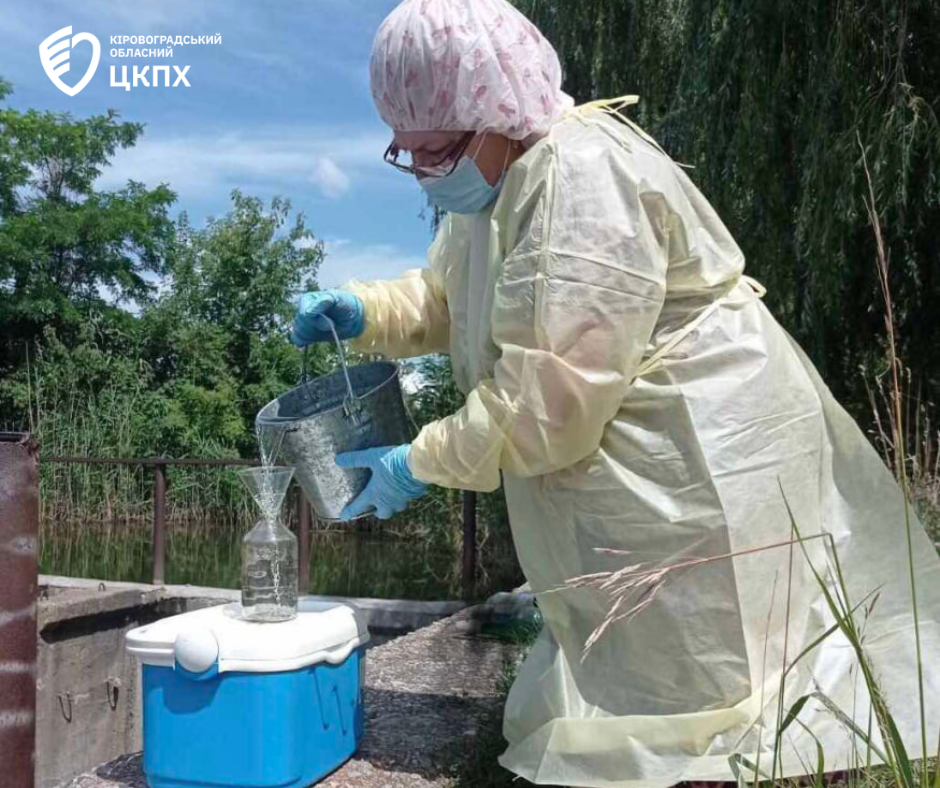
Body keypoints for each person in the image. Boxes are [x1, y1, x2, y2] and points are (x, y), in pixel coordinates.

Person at [291, 1, 940, 786]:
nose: (420, 167)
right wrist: (366, 313)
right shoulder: (497, 186)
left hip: (698, 462)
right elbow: (448, 297)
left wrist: (416, 462)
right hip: (640, 467)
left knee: (727, 689)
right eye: (406, 150)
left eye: (434, 150)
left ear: (496, 114)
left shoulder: (580, 178)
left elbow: (545, 402)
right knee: (666, 690)